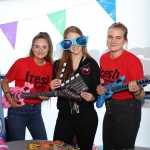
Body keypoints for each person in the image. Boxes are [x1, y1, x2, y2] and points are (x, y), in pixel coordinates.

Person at [96, 22, 145, 150]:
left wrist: (136, 91)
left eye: (118, 38)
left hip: (128, 109)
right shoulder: (103, 58)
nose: (113, 41)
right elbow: (104, 83)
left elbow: (141, 96)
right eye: (110, 36)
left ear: (125, 40)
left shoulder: (132, 60)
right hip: (109, 108)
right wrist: (99, 88)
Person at [50, 26, 100, 150]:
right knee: (58, 148)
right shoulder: (58, 64)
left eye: (78, 40)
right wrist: (52, 88)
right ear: (65, 44)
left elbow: (96, 90)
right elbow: (56, 91)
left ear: (83, 41)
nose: (74, 45)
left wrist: (92, 97)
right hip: (64, 117)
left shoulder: (92, 64)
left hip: (86, 117)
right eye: (69, 41)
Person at [1, 32, 54, 141]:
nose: (40, 50)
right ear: (32, 48)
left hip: (36, 111)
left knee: (44, 145)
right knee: (18, 146)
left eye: (44, 47)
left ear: (49, 49)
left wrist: (47, 96)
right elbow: (4, 82)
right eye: (37, 46)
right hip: (17, 110)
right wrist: (10, 100)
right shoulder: (21, 63)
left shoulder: (51, 67)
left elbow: (46, 92)